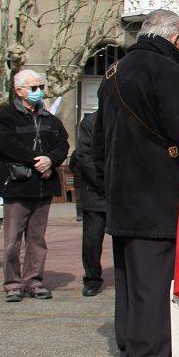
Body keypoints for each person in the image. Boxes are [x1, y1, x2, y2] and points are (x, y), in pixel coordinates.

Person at [93, 9, 179, 357]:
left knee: (131, 286)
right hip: (158, 197)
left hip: (123, 198)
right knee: (154, 289)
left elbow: (100, 141)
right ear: (174, 39)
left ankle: (131, 353)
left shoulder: (113, 73)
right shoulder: (167, 72)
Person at [0, 69, 69, 302]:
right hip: (17, 186)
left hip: (43, 186)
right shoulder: (6, 116)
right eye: (34, 88)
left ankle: (34, 281)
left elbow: (63, 145)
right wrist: (36, 159)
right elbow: (8, 145)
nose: (39, 92)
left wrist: (51, 159)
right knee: (12, 240)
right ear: (19, 91)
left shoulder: (51, 120)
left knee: (37, 239)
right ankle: (13, 284)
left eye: (41, 87)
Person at [73, 110, 106, 297]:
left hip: (122, 191)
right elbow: (85, 156)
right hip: (96, 190)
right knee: (93, 239)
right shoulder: (90, 122)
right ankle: (92, 279)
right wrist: (103, 183)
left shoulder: (125, 118)